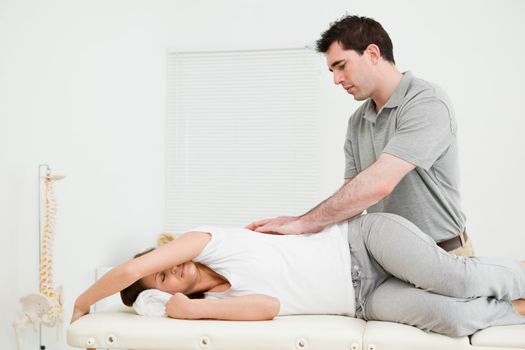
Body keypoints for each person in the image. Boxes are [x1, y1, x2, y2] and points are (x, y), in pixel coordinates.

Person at [71, 213, 525, 337]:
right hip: (364, 300)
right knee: (455, 320)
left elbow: (131, 270)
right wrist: (186, 312)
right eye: (164, 279)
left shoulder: (208, 239)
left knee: (460, 280)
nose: (173, 268)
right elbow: (268, 308)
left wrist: (81, 303)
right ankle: (518, 311)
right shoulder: (215, 307)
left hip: (364, 242)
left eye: (163, 262)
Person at [246, 15, 473, 256]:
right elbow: (353, 198)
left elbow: (378, 184)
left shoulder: (425, 102)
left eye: (341, 66)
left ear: (373, 54)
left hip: (444, 255)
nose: (336, 79)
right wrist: (298, 222)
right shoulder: (357, 122)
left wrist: (303, 223)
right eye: (332, 70)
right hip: (390, 260)